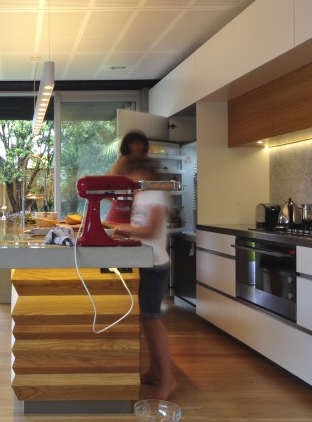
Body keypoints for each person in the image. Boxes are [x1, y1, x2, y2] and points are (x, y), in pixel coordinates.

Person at [113, 156, 177, 400]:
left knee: (152, 320)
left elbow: (150, 229)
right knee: (147, 320)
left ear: (144, 173)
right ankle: (155, 370)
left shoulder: (156, 194)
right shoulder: (142, 193)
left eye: (132, 176)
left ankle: (168, 380)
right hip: (144, 261)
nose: (129, 181)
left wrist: (121, 229)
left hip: (154, 263)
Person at [106, 130, 151, 224]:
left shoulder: (146, 163)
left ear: (144, 145)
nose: (136, 146)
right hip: (122, 211)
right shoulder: (123, 161)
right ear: (127, 145)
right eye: (132, 143)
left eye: (139, 143)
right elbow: (109, 185)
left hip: (140, 212)